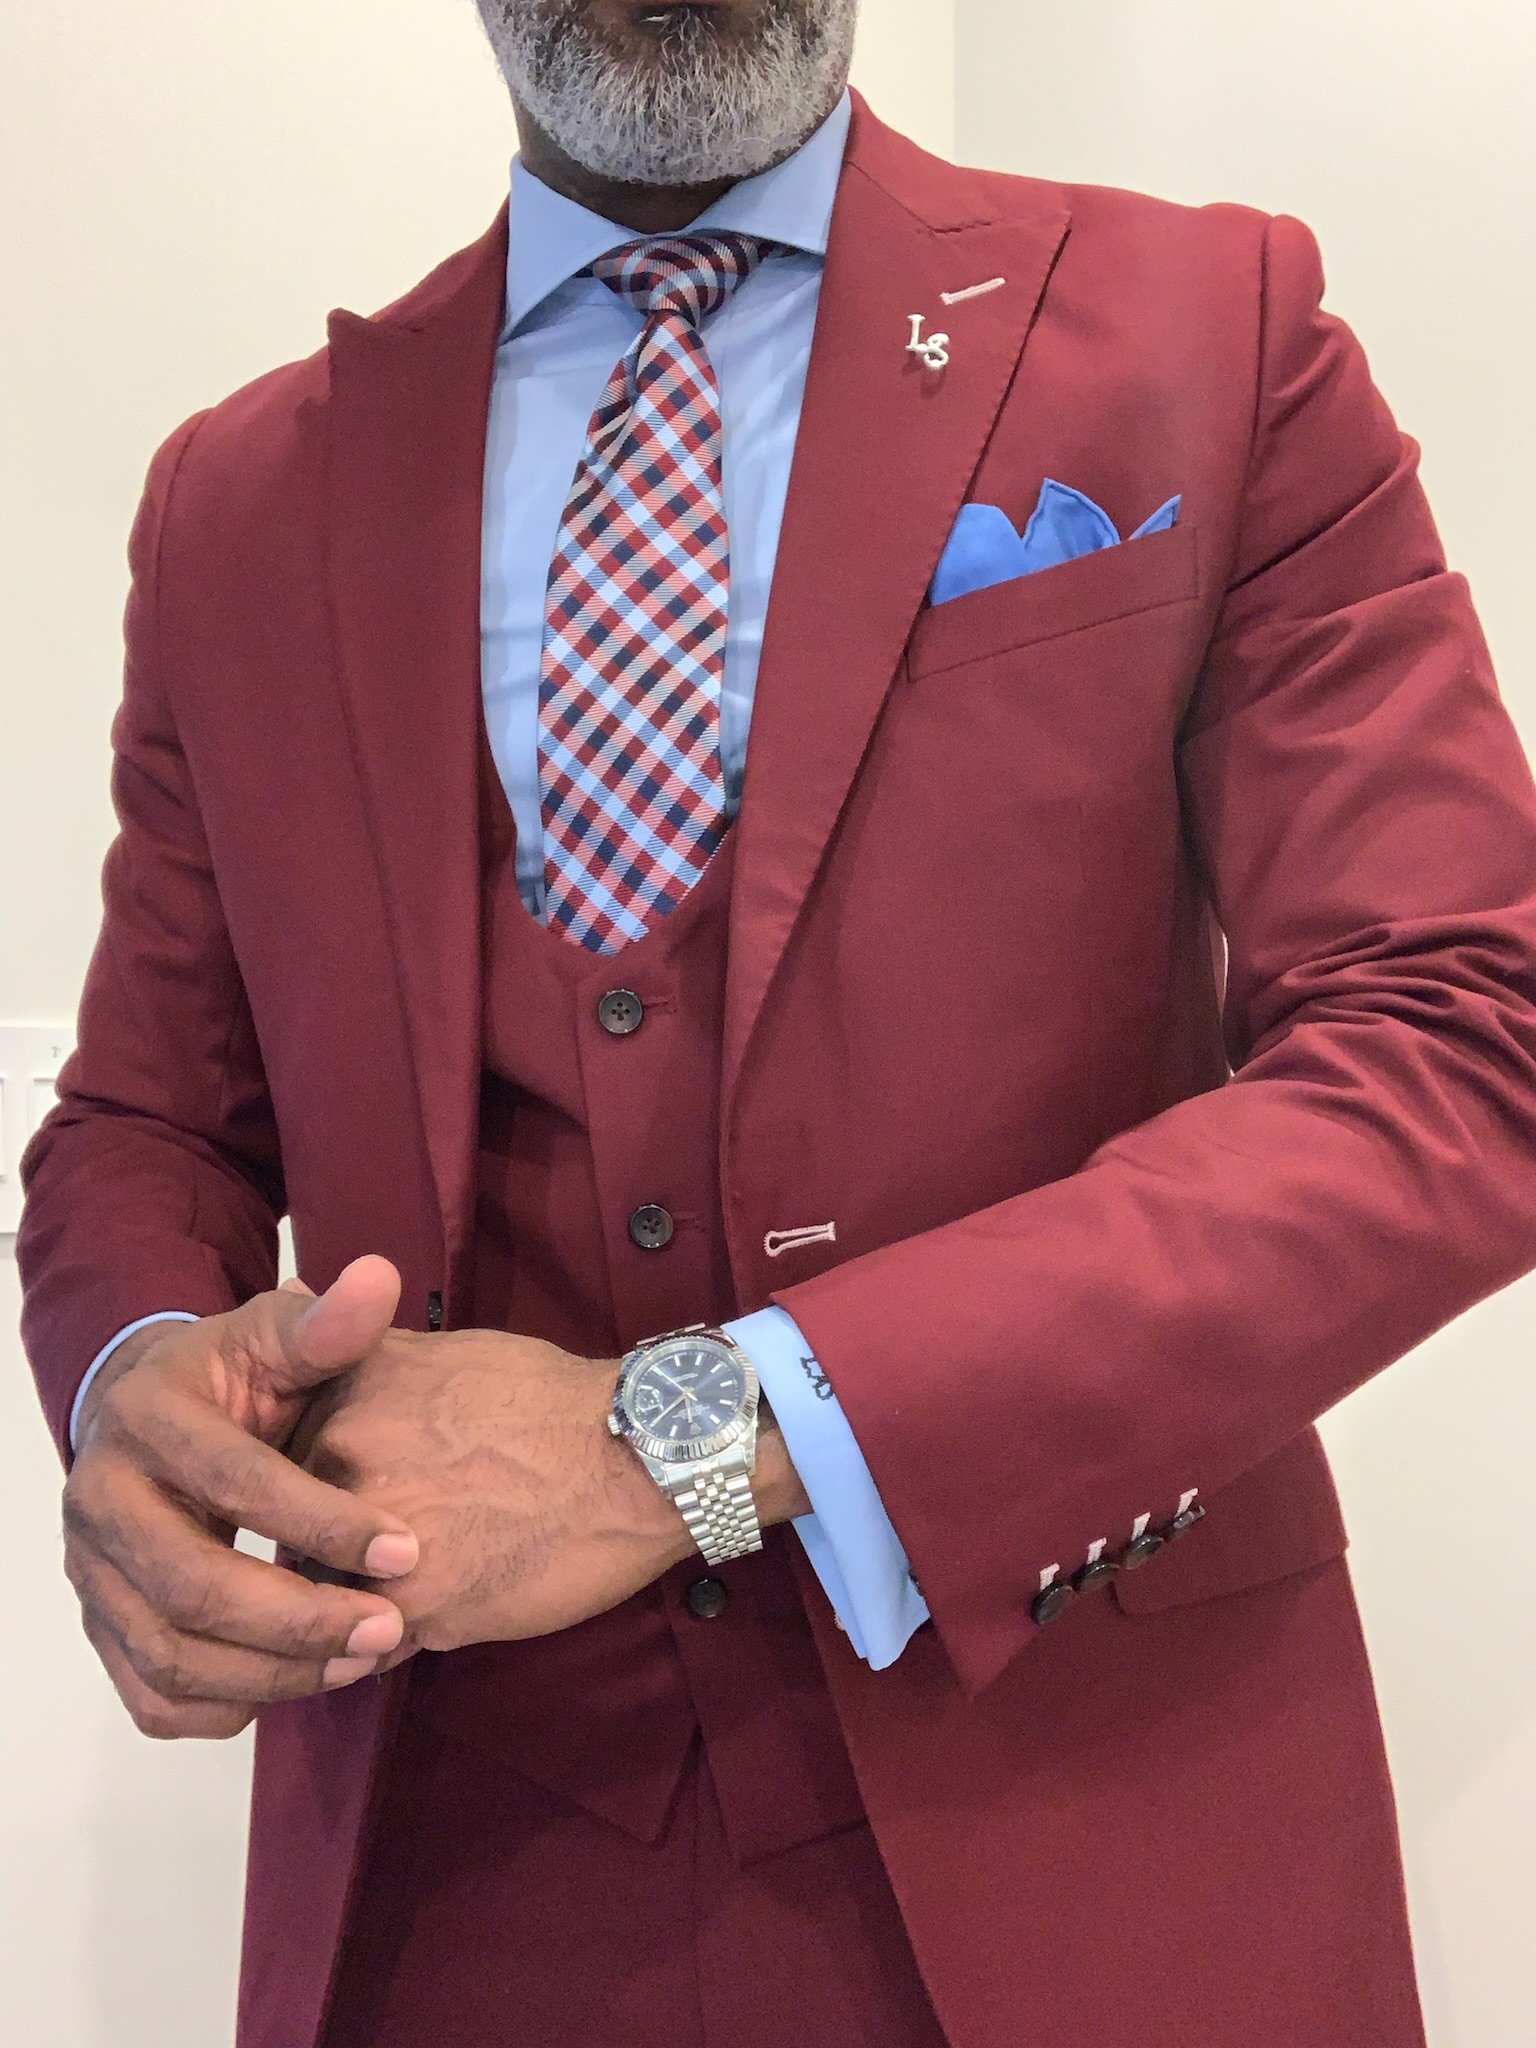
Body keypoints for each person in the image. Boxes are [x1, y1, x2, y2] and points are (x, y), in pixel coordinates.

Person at [18, 1, 1536, 2044]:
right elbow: (146, 1119)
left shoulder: (1214, 328)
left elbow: (1463, 1032)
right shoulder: (239, 498)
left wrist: (690, 1448)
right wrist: (135, 1374)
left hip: (1111, 1836)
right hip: (452, 1870)